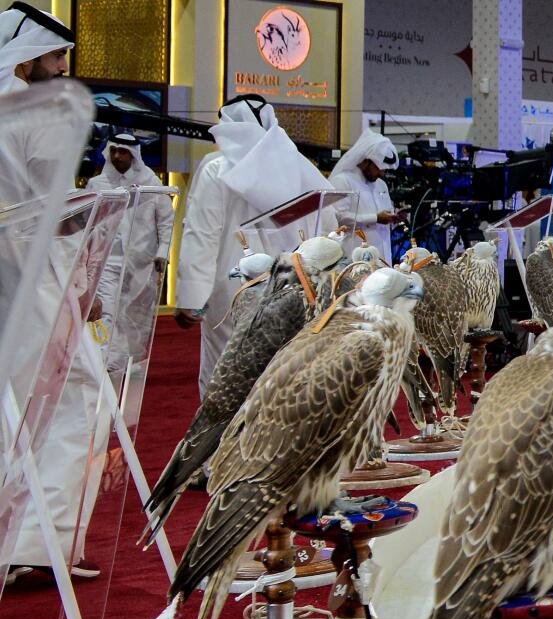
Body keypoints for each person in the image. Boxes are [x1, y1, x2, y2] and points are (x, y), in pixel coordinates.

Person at [0, 3, 109, 582]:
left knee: (12, 406)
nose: (64, 65)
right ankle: (37, 546)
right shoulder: (34, 117)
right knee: (74, 395)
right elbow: (54, 210)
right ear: (24, 63)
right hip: (34, 274)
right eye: (56, 55)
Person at [174, 94, 332, 396]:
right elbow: (323, 227)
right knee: (278, 374)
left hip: (233, 289)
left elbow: (202, 235)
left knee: (226, 374)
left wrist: (191, 296)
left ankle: (224, 442)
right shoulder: (297, 164)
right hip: (289, 287)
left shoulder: (215, 168)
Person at [86, 132, 175, 375]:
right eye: (113, 150)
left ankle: (127, 360)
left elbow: (166, 220)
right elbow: (87, 226)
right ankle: (103, 361)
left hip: (140, 261)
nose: (117, 156)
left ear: (134, 154)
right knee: (106, 309)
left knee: (134, 314)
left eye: (123, 151)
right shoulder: (98, 185)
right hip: (105, 262)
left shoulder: (151, 182)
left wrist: (163, 251)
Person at [329, 129, 400, 264]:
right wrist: (375, 218)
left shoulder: (381, 185)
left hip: (383, 258)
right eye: (379, 168)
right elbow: (338, 218)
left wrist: (393, 218)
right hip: (355, 260)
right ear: (366, 161)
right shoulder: (342, 181)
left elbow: (385, 215)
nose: (382, 173)